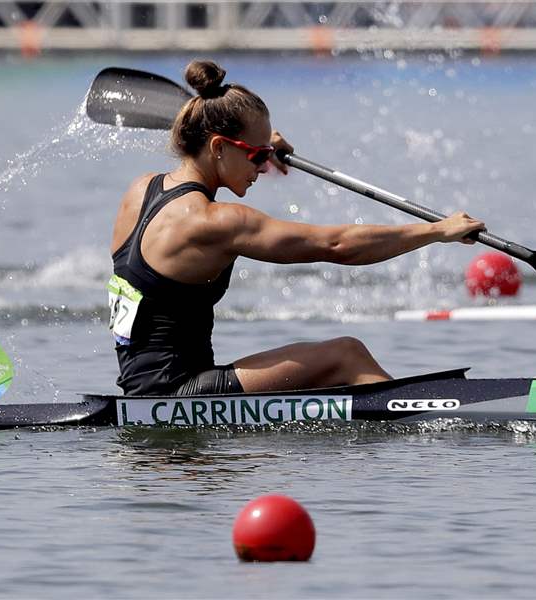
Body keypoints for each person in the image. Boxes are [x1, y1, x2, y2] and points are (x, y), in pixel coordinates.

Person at [109, 60, 485, 396]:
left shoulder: (140, 190)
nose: (262, 168)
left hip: (143, 386)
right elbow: (336, 246)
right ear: (220, 146)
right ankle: (424, 418)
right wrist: (437, 231)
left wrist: (260, 145)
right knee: (346, 354)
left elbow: (209, 141)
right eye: (256, 157)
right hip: (179, 393)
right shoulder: (216, 222)